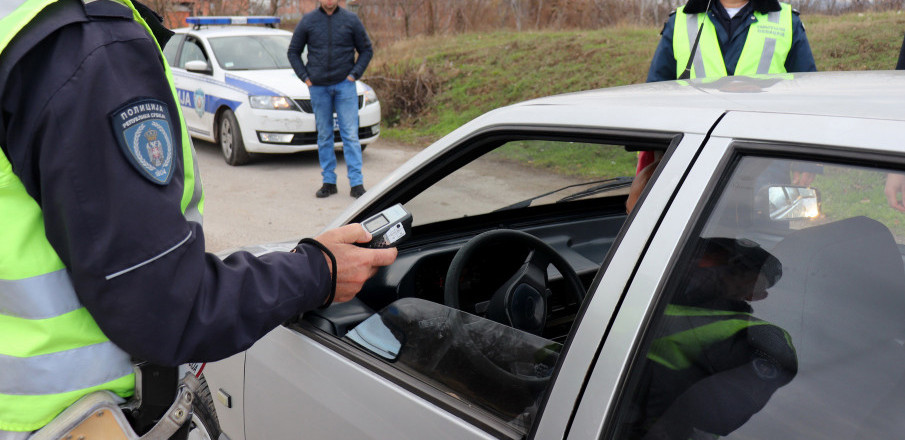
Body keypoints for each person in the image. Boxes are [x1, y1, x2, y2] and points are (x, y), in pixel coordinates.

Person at [0, 0, 396, 437]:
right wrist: (318, 271)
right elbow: (169, 305)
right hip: (78, 419)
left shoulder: (21, 23)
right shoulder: (86, 45)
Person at [628, 237, 797, 439]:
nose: (719, 270)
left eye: (739, 270)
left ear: (756, 294)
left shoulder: (762, 337)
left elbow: (718, 415)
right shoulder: (635, 297)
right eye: (710, 257)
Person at [638, 0, 817, 174]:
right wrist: (654, 160)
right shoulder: (680, 21)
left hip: (768, 157)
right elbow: (657, 96)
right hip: (693, 154)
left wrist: (808, 160)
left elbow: (806, 97)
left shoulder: (786, 20)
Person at [287, 0, 373, 199]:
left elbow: (366, 50)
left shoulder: (351, 20)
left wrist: (354, 75)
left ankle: (357, 184)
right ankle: (329, 182)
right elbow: (293, 52)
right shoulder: (308, 21)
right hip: (318, 88)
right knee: (324, 135)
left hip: (345, 86)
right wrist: (306, 78)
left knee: (350, 135)